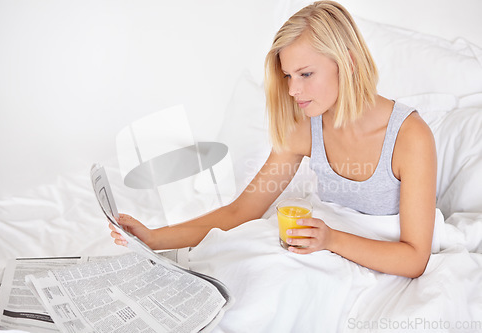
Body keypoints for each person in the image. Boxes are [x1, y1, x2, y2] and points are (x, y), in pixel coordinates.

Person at [109, 1, 436, 278]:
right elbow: (241, 213)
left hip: (373, 256)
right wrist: (153, 238)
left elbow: (415, 258)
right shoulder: (306, 129)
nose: (293, 90)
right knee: (241, 271)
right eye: (288, 77)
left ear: (348, 63)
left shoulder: (410, 137)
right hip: (321, 246)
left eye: (306, 74)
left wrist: (332, 239)